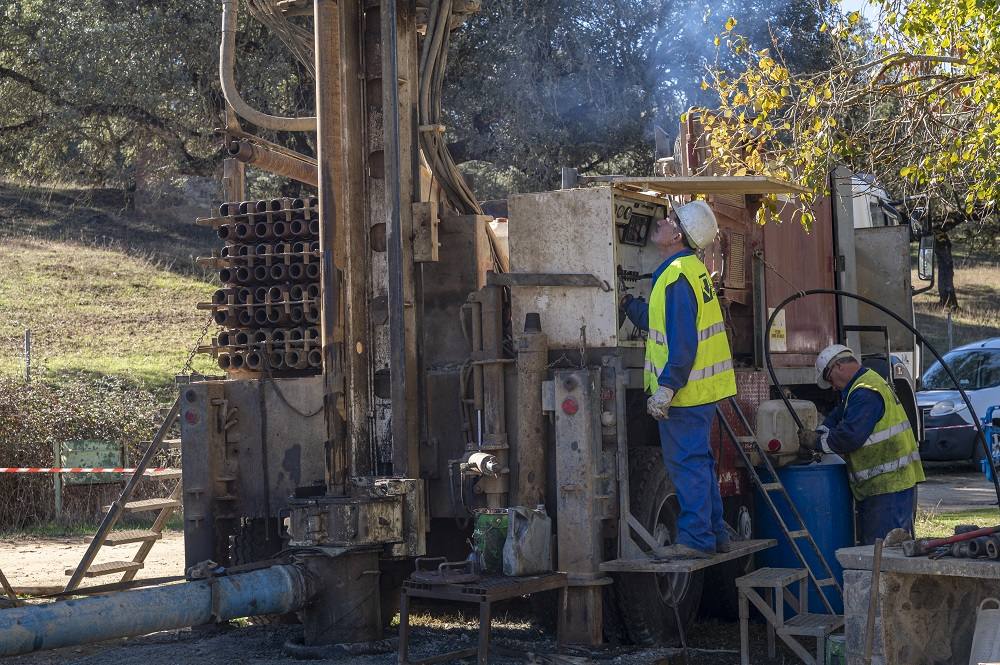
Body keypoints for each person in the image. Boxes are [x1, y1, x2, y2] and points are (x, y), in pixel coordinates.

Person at [621, 200, 737, 559]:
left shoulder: (676, 276)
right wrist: (628, 304)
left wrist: (667, 388)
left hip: (686, 394)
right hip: (700, 392)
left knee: (687, 466)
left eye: (672, 220)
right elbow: (661, 324)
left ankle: (697, 540)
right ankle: (715, 533)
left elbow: (683, 344)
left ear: (679, 236)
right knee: (699, 463)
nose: (664, 221)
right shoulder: (687, 270)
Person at [798, 344, 925, 545]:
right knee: (887, 550)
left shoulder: (865, 392)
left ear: (839, 366)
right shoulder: (862, 387)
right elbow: (837, 417)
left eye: (830, 379)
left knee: (880, 553)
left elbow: (849, 436)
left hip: (887, 487)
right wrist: (821, 431)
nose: (832, 386)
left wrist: (816, 442)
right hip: (889, 486)